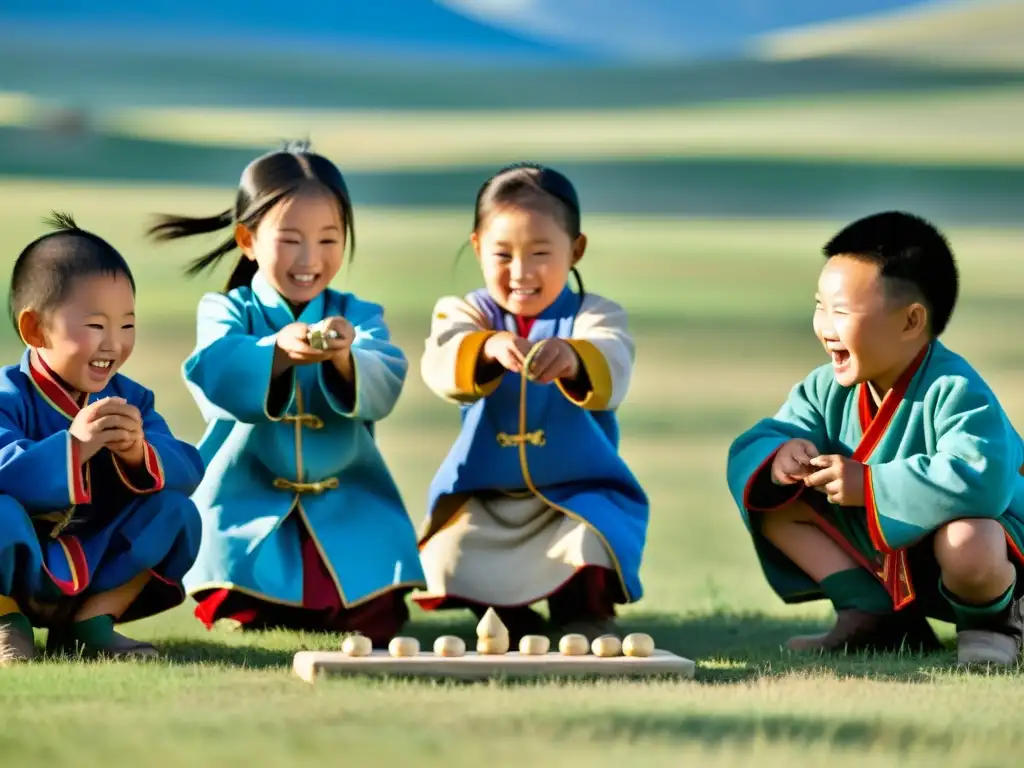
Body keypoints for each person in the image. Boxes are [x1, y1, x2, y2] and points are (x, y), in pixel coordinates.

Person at [149, 142, 424, 645]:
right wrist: (274, 351)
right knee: (242, 604)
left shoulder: (357, 314)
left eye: (328, 240)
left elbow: (385, 380)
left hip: (349, 500)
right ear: (247, 239)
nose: (310, 259)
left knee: (372, 610)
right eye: (290, 240)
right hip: (245, 502)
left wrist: (344, 357)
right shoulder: (227, 309)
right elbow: (213, 371)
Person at [727, 211, 1024, 665]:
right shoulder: (824, 387)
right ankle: (872, 615)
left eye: (841, 311)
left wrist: (868, 484)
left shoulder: (957, 389)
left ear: (910, 322)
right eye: (819, 306)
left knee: (969, 538)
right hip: (897, 551)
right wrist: (780, 455)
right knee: (773, 495)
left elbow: (982, 479)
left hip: (987, 554)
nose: (825, 326)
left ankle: (992, 624)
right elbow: (760, 441)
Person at [415, 162, 649, 643]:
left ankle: (582, 612)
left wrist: (573, 357)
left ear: (576, 249)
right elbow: (442, 359)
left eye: (541, 252)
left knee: (589, 540)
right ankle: (506, 615)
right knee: (453, 551)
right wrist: (486, 347)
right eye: (503, 254)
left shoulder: (593, 314)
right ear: (478, 247)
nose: (521, 272)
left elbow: (613, 362)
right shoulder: (466, 312)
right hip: (486, 493)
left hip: (575, 492)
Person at [0, 213, 203, 662]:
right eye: (95, 326)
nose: (113, 343)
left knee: (176, 512)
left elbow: (186, 466)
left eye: (127, 325)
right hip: (18, 560)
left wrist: (139, 453)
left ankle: (90, 623)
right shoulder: (8, 395)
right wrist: (72, 448)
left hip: (95, 556)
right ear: (35, 329)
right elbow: (5, 467)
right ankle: (5, 621)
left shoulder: (131, 399)